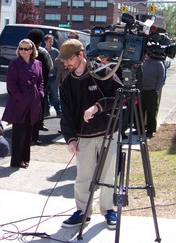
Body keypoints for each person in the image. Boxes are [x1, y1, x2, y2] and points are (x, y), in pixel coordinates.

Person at [57, 39, 122, 229]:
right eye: (64, 60)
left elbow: (120, 96)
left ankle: (109, 210)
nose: (65, 63)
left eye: (69, 59)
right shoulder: (67, 82)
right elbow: (66, 113)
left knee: (108, 175)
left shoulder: (102, 72)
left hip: (108, 132)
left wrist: (97, 107)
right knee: (83, 177)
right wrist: (70, 138)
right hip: (83, 137)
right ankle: (82, 212)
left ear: (80, 55)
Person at [2, 39, 44, 168]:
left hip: (33, 101)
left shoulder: (37, 63)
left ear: (32, 50)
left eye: (26, 49)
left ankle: (25, 159)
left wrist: (41, 93)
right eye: (21, 48)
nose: (23, 51)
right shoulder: (14, 64)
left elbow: (41, 81)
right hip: (19, 103)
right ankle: (16, 161)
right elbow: (11, 84)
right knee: (19, 132)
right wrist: (20, 97)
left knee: (28, 132)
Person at [28, 29, 53, 145]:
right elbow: (49, 68)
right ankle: (36, 134)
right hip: (39, 88)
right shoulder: (42, 53)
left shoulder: (24, 51)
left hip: (26, 90)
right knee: (38, 111)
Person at [138, 54, 165, 138]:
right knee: (140, 111)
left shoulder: (158, 63)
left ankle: (150, 130)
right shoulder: (142, 62)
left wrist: (156, 89)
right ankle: (140, 129)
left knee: (151, 111)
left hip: (151, 91)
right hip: (141, 90)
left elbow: (161, 77)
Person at [44, 34, 61, 117]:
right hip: (44, 76)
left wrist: (58, 75)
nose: (51, 43)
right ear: (45, 42)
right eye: (49, 41)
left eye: (52, 41)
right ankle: (46, 111)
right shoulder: (43, 51)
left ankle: (59, 111)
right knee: (45, 95)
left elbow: (59, 64)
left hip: (53, 76)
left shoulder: (56, 52)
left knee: (55, 95)